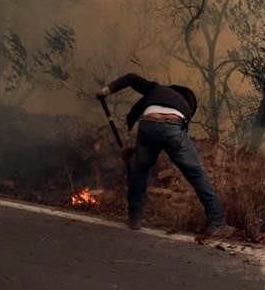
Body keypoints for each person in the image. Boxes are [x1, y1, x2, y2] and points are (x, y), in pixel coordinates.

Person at [97, 73, 232, 237]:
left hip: (147, 124)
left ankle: (134, 218)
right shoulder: (184, 105)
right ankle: (217, 223)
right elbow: (170, 134)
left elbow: (133, 88)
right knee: (196, 173)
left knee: (140, 171)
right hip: (173, 126)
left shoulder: (155, 90)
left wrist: (105, 91)